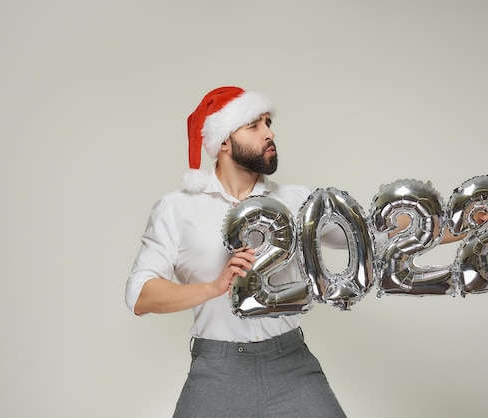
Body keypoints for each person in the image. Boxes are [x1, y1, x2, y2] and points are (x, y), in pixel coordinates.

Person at [125, 86, 349, 417]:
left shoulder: (295, 200)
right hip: (217, 369)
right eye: (254, 125)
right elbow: (139, 295)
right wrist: (213, 288)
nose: (269, 133)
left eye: (268, 123)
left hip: (291, 364)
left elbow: (367, 234)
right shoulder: (177, 208)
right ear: (224, 141)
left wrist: (446, 226)